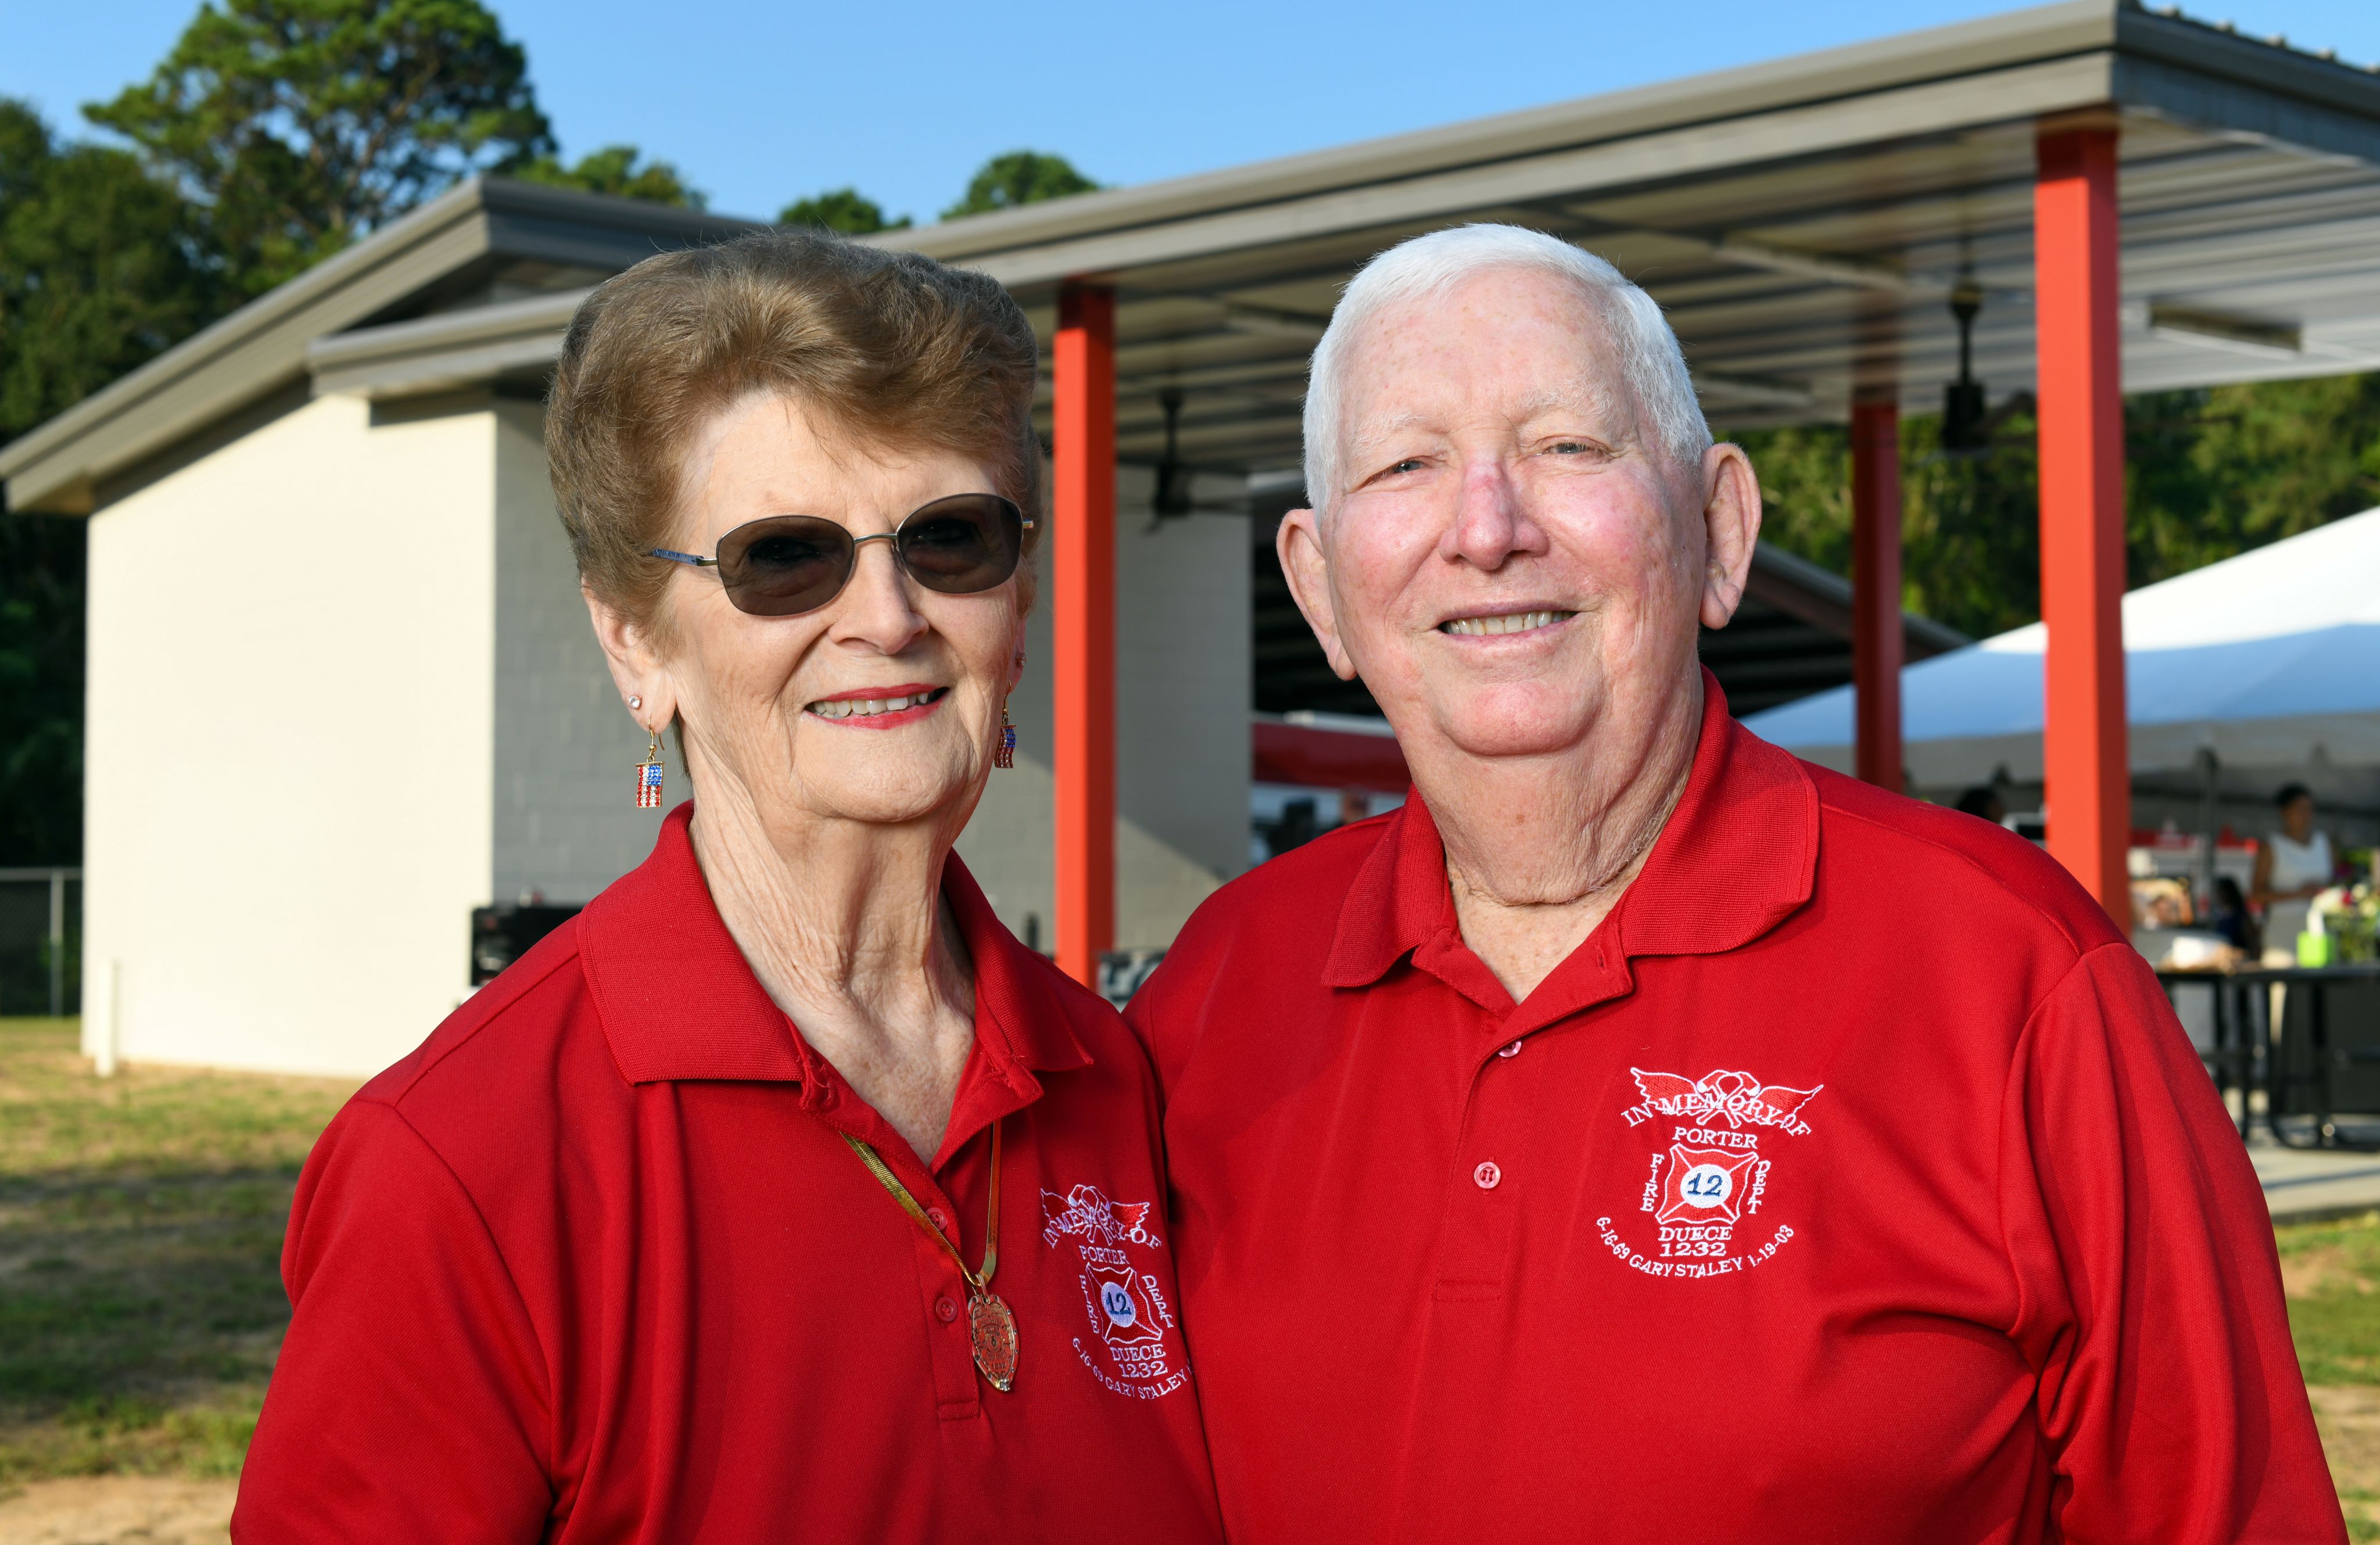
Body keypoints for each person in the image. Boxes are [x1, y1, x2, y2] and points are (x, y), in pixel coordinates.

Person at [1126, 224, 2339, 1543]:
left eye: (1566, 446)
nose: (1487, 529)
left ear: (1718, 529)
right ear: (1319, 587)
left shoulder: (2016, 973)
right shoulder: (1216, 992)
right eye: (1406, 463)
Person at [235, 235, 1222, 1543]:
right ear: (634, 643)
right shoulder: (461, 1162)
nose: (888, 616)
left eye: (949, 538)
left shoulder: (1117, 1080)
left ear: (1020, 607)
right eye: (784, 557)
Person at [2254, 782, 2336, 955]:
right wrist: (2298, 894)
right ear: (2285, 812)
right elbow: (2255, 895)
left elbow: (2334, 883)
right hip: (2283, 931)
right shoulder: (2272, 846)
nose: (2307, 815)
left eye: (2309, 809)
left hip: (2320, 930)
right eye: (2300, 809)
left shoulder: (2324, 842)